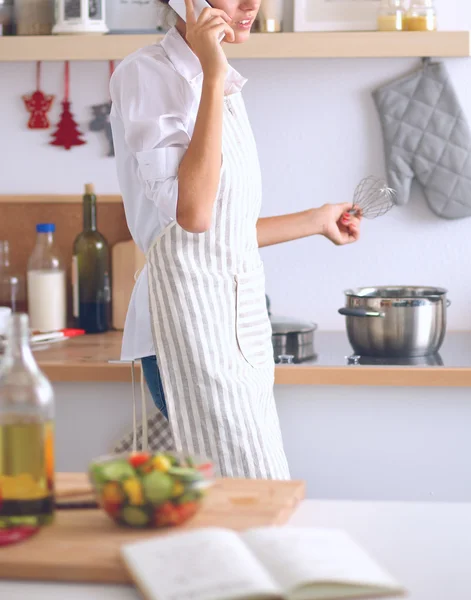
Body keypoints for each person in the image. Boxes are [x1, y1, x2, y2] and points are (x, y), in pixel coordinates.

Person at [110, 0, 361, 479]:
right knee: (248, 493)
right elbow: (195, 215)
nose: (251, 5)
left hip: (237, 324)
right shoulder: (147, 75)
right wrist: (212, 72)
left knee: (254, 488)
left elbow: (223, 234)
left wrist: (316, 220)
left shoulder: (219, 79)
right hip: (186, 328)